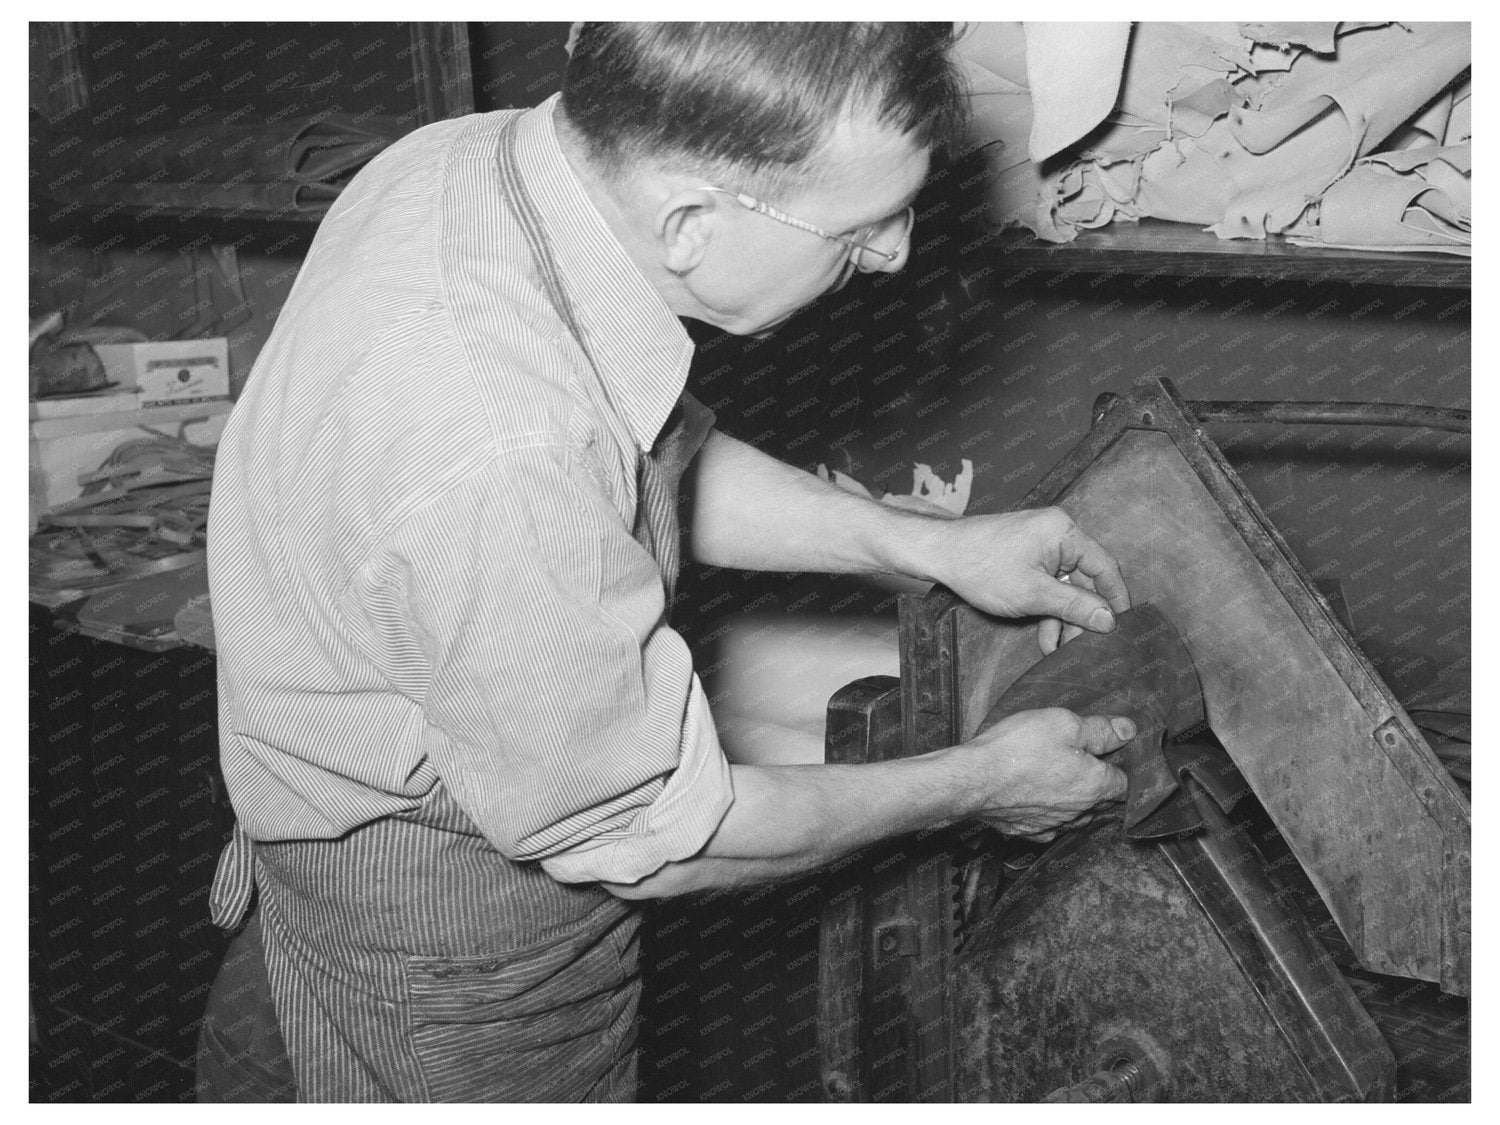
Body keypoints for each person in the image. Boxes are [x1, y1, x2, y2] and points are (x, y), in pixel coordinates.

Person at [196, 22, 1135, 1103]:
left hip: (338, 846)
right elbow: (661, 839)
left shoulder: (473, 161)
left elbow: (633, 460)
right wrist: (982, 784)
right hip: (455, 938)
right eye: (861, 228)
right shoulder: (501, 447)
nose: (895, 255)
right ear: (688, 221)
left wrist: (928, 544)